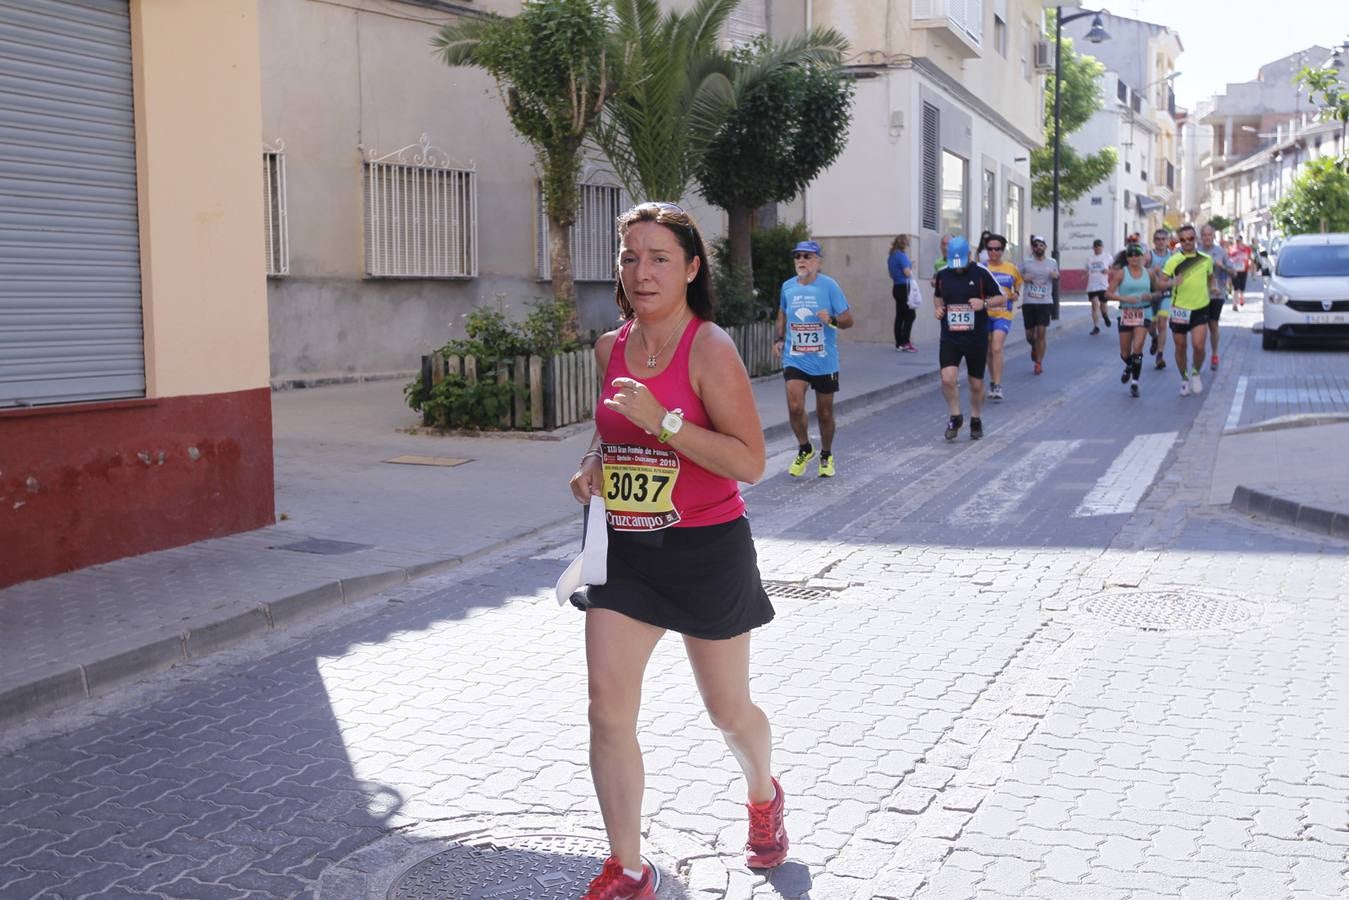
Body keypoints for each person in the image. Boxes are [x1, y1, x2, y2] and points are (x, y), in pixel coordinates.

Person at [569, 201, 786, 900]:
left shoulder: (710, 347)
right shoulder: (609, 346)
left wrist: (661, 422)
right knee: (606, 708)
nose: (642, 271)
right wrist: (592, 466)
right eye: (630, 257)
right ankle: (628, 867)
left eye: (659, 258)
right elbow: (610, 430)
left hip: (704, 550)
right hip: (626, 550)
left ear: (692, 269)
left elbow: (748, 461)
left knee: (727, 710)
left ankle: (761, 794)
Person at [775, 240, 855, 477]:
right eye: (798, 256)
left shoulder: (829, 286)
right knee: (795, 405)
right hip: (795, 357)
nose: (801, 260)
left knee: (825, 413)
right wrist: (779, 339)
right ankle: (804, 447)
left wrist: (830, 319)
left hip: (824, 359)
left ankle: (826, 453)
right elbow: (781, 312)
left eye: (807, 256)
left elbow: (849, 320)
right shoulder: (787, 287)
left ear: (818, 262)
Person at [933, 235, 999, 441]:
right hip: (950, 337)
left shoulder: (981, 273)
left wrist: (984, 304)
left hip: (976, 337)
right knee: (947, 378)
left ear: (969, 256)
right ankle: (955, 415)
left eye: (961, 264)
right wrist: (938, 309)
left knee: (976, 384)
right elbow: (937, 296)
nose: (958, 269)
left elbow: (1001, 297)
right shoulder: (943, 274)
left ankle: (976, 418)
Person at [1159, 223, 1216, 397]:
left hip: (1200, 307)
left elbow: (1210, 278)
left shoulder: (1206, 259)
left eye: (1190, 238)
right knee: (1180, 346)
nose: (1187, 242)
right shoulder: (1173, 261)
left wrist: (1213, 287)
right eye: (1183, 240)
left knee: (1199, 346)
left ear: (1195, 239)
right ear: (1179, 241)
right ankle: (1184, 378)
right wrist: (1171, 283)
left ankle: (1196, 373)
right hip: (1179, 310)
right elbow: (1160, 283)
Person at [1105, 242, 1163, 397]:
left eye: (1137, 255)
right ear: (1127, 257)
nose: (1134, 258)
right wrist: (1124, 298)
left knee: (1137, 347)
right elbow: (1108, 294)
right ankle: (1129, 366)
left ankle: (1135, 384)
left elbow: (1158, 292)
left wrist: (1150, 296)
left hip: (1144, 312)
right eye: (1130, 255)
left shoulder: (1149, 273)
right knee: (1125, 353)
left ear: (1143, 256)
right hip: (1125, 313)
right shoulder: (1121, 273)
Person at [980, 233, 1021, 401]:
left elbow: (1018, 283)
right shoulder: (981, 268)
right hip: (984, 314)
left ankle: (997, 385)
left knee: (996, 347)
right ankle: (992, 381)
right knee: (989, 350)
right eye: (990, 249)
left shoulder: (1011, 268)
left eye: (997, 249)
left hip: (1003, 314)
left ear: (1002, 250)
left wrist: (1016, 293)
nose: (993, 252)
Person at [1019, 235, 1059, 375]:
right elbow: (1016, 276)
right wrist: (1023, 278)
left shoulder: (1052, 262)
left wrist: (1055, 275)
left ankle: (1038, 363)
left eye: (1041, 245)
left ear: (1045, 247)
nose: (1038, 247)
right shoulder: (1026, 262)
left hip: (1044, 302)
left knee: (1041, 333)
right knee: (1030, 335)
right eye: (1036, 245)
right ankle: (1034, 347)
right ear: (1033, 248)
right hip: (1029, 302)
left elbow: (1056, 274)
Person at [1199, 223, 1236, 371]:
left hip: (1216, 295)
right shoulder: (1196, 252)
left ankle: (1214, 354)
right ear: (1201, 237)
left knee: (1213, 325)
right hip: (1199, 294)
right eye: (1204, 235)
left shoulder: (1221, 252)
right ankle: (1199, 354)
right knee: (1200, 327)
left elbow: (1234, 273)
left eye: (1209, 235)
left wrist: (1222, 267)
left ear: (1213, 236)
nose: (1207, 238)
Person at [1146, 229, 1175, 370]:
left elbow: (1180, 273)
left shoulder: (1172, 256)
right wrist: (1151, 272)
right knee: (1150, 326)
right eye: (1158, 239)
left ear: (1168, 241)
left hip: (1165, 294)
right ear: (1154, 241)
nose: (1161, 242)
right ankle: (1154, 338)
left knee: (1162, 324)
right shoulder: (1149, 256)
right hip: (1151, 294)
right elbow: (1137, 270)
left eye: (1163, 239)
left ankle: (1160, 355)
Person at [888, 234, 917, 352]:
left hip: (896, 287)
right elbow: (907, 273)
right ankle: (905, 342)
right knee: (910, 315)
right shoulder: (902, 256)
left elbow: (890, 274)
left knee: (900, 316)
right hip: (905, 287)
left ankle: (899, 343)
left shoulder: (891, 257)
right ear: (904, 244)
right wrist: (911, 267)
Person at [1085, 238, 1112, 334]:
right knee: (1094, 304)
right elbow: (1086, 270)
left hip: (1103, 285)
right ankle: (1096, 326)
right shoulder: (1089, 259)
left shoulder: (1107, 257)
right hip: (1092, 285)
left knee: (1103, 305)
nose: (1098, 249)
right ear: (1093, 248)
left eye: (1099, 247)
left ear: (1102, 247)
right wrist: (1085, 275)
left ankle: (1105, 315)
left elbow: (1113, 268)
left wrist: (1108, 271)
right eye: (1096, 247)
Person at [1229, 234, 1252, 309]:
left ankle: (1241, 298)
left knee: (1242, 287)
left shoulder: (1247, 248)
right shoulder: (1232, 248)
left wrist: (1250, 264)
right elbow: (1228, 259)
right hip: (1235, 271)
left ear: (1242, 240)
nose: (1238, 242)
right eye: (1237, 241)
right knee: (1235, 288)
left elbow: (1249, 257)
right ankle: (1234, 304)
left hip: (1244, 270)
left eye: (1239, 240)